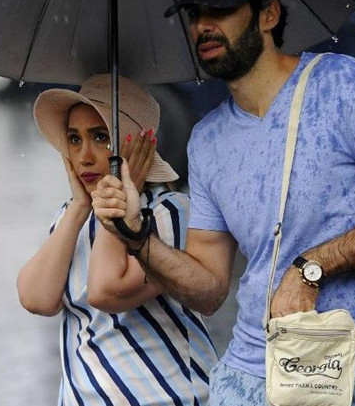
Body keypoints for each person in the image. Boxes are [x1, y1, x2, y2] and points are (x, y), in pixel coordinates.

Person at [91, 0, 355, 406]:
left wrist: (312, 267)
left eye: (220, 10)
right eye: (195, 14)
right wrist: (139, 237)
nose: (203, 25)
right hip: (242, 375)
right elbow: (207, 288)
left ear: (268, 14)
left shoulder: (341, 85)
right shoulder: (208, 138)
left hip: (332, 369)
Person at [17, 74, 217, 406]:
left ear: (134, 142)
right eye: (74, 139)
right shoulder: (73, 215)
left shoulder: (172, 212)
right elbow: (36, 298)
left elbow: (107, 290)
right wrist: (81, 206)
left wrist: (122, 200)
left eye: (101, 137)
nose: (84, 157)